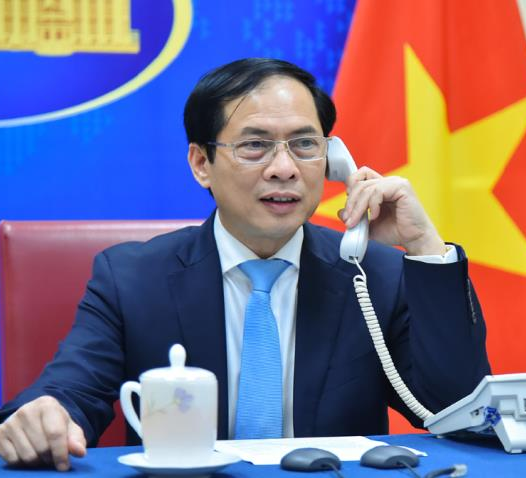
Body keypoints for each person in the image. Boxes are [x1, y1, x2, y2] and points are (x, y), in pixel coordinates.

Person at [0, 58, 491, 471]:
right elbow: (71, 391)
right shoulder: (132, 278)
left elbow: (456, 410)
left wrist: (425, 249)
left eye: (305, 145)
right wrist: (43, 415)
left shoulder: (374, 275)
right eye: (255, 145)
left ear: (331, 160)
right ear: (201, 164)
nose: (284, 168)